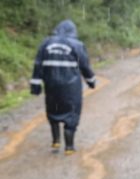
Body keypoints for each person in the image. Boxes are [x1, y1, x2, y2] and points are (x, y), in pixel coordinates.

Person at [30, 20, 96, 155]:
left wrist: (35, 85)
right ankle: (69, 147)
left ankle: (56, 141)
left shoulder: (45, 44)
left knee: (53, 111)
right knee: (71, 114)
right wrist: (91, 81)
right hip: (71, 89)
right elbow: (85, 66)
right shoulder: (77, 45)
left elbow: (38, 65)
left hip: (51, 87)